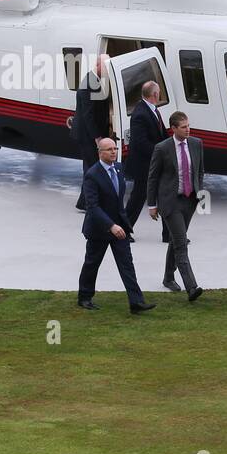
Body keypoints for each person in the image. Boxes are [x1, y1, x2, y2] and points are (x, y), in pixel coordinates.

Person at [77, 137, 155, 314]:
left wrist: (122, 223)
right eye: (109, 149)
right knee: (92, 263)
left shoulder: (118, 169)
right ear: (100, 153)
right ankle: (84, 297)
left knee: (127, 264)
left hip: (120, 227)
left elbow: (119, 201)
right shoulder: (92, 175)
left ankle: (136, 302)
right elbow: (93, 207)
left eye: (115, 148)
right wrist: (111, 226)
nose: (114, 152)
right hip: (99, 229)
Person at [146, 111, 205, 301]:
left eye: (188, 126)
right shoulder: (162, 148)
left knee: (175, 239)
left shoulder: (197, 144)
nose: (188, 129)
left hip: (189, 200)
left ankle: (168, 277)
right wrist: (152, 205)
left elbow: (200, 171)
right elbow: (152, 178)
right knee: (181, 243)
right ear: (173, 129)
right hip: (170, 202)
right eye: (183, 127)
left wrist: (200, 193)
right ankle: (192, 287)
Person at [70, 54, 111, 210]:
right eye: (105, 66)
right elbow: (88, 115)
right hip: (87, 135)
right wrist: (97, 137)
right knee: (91, 168)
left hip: (90, 133)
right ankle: (87, 202)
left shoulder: (97, 80)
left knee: (91, 167)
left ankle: (84, 201)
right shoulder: (88, 84)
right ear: (98, 65)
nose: (107, 69)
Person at [124, 80, 167, 227]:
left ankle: (170, 234)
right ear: (155, 94)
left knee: (164, 196)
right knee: (138, 197)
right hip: (144, 165)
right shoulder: (141, 114)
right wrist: (162, 153)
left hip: (152, 163)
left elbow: (162, 134)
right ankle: (124, 229)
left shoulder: (152, 109)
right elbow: (141, 143)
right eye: (159, 92)